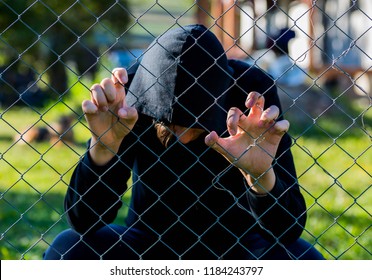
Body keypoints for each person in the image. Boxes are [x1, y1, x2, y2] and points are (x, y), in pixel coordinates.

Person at [43, 24, 324, 260]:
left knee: (305, 260)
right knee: (68, 248)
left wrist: (261, 176)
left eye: (196, 125)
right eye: (168, 124)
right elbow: (85, 222)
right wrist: (103, 149)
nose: (182, 138)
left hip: (239, 244)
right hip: (148, 240)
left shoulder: (251, 96)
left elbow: (288, 231)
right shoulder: (131, 94)